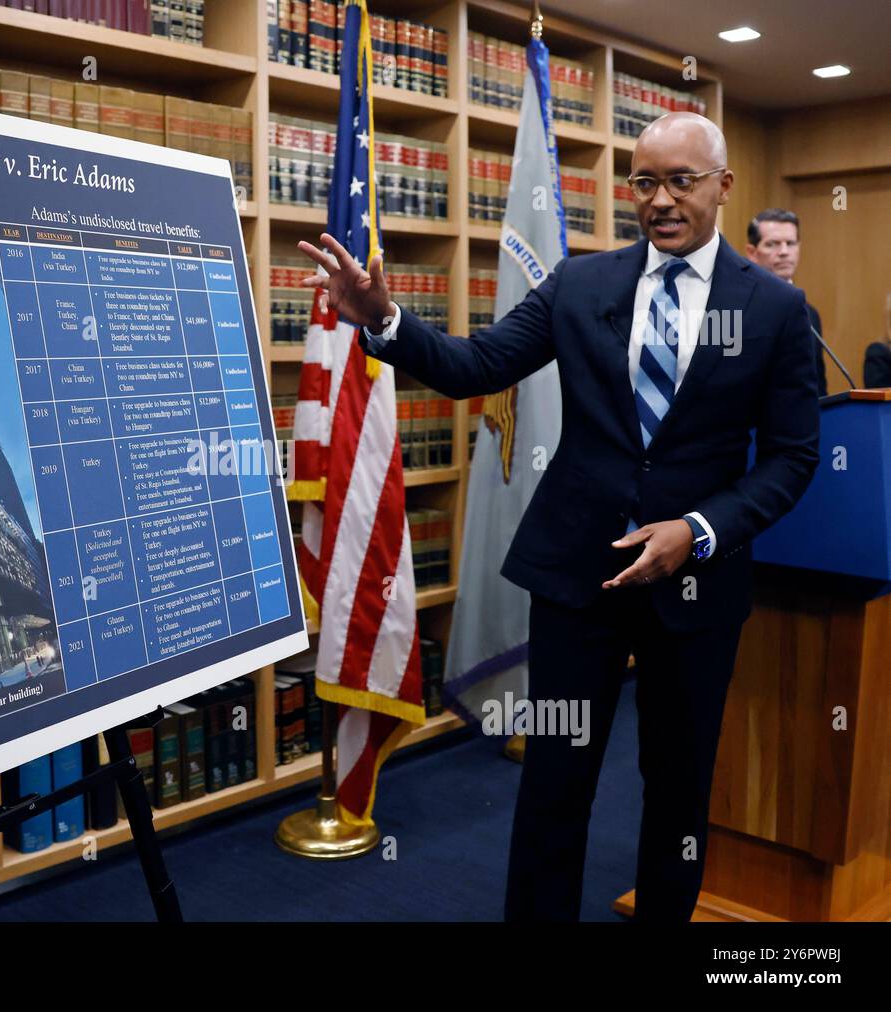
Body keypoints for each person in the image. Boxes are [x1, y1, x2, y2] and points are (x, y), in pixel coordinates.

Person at [297, 111, 820, 922]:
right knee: (555, 780)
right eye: (645, 182)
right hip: (578, 579)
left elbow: (792, 458)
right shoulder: (582, 285)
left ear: (723, 186)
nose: (661, 200)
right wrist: (384, 323)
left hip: (697, 593)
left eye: (682, 181)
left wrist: (699, 531)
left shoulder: (778, 312)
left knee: (679, 789)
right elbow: (478, 366)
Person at [744, 208, 829, 395]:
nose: (784, 252)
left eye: (790, 243)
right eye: (772, 244)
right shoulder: (739, 308)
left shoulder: (810, 313)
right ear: (752, 252)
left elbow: (818, 384)